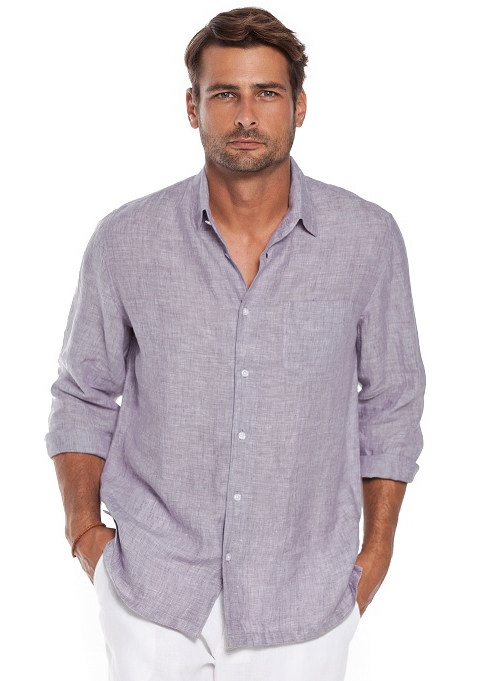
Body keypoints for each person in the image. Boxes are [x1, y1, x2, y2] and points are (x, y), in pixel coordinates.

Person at [46, 7, 425, 681]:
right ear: (192, 108)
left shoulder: (367, 239)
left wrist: (375, 556)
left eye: (266, 93)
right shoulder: (125, 240)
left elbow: (392, 400)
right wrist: (84, 535)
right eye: (224, 93)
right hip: (154, 597)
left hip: (304, 601)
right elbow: (83, 392)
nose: (245, 115)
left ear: (299, 106)